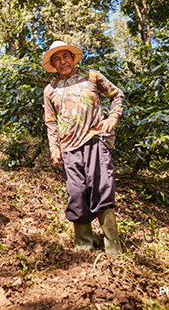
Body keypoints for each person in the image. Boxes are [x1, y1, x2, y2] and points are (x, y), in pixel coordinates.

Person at [42, 40, 124, 255]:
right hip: (69, 148)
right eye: (57, 59)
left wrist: (113, 117)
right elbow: (50, 122)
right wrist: (54, 147)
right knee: (77, 194)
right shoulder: (50, 89)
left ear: (73, 58)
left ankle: (113, 249)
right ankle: (83, 245)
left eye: (65, 57)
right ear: (53, 64)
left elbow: (117, 95)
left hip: (96, 141)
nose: (62, 62)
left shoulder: (92, 77)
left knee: (102, 190)